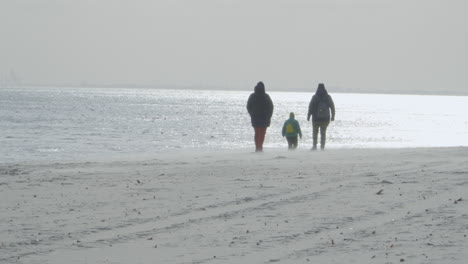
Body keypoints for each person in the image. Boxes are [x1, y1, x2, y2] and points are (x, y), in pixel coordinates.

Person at [247, 81, 274, 152]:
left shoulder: (252, 96)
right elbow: (271, 107)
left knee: (257, 132)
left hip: (255, 117)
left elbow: (248, 106)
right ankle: (260, 146)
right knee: (262, 133)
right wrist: (269, 116)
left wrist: (251, 114)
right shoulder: (266, 96)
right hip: (264, 118)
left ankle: (257, 147)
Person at [307, 83, 335, 150]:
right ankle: (322, 146)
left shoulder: (315, 97)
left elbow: (310, 107)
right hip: (325, 118)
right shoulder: (328, 97)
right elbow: (332, 107)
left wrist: (308, 115)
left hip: (315, 118)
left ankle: (314, 146)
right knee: (323, 133)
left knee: (315, 133)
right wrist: (333, 116)